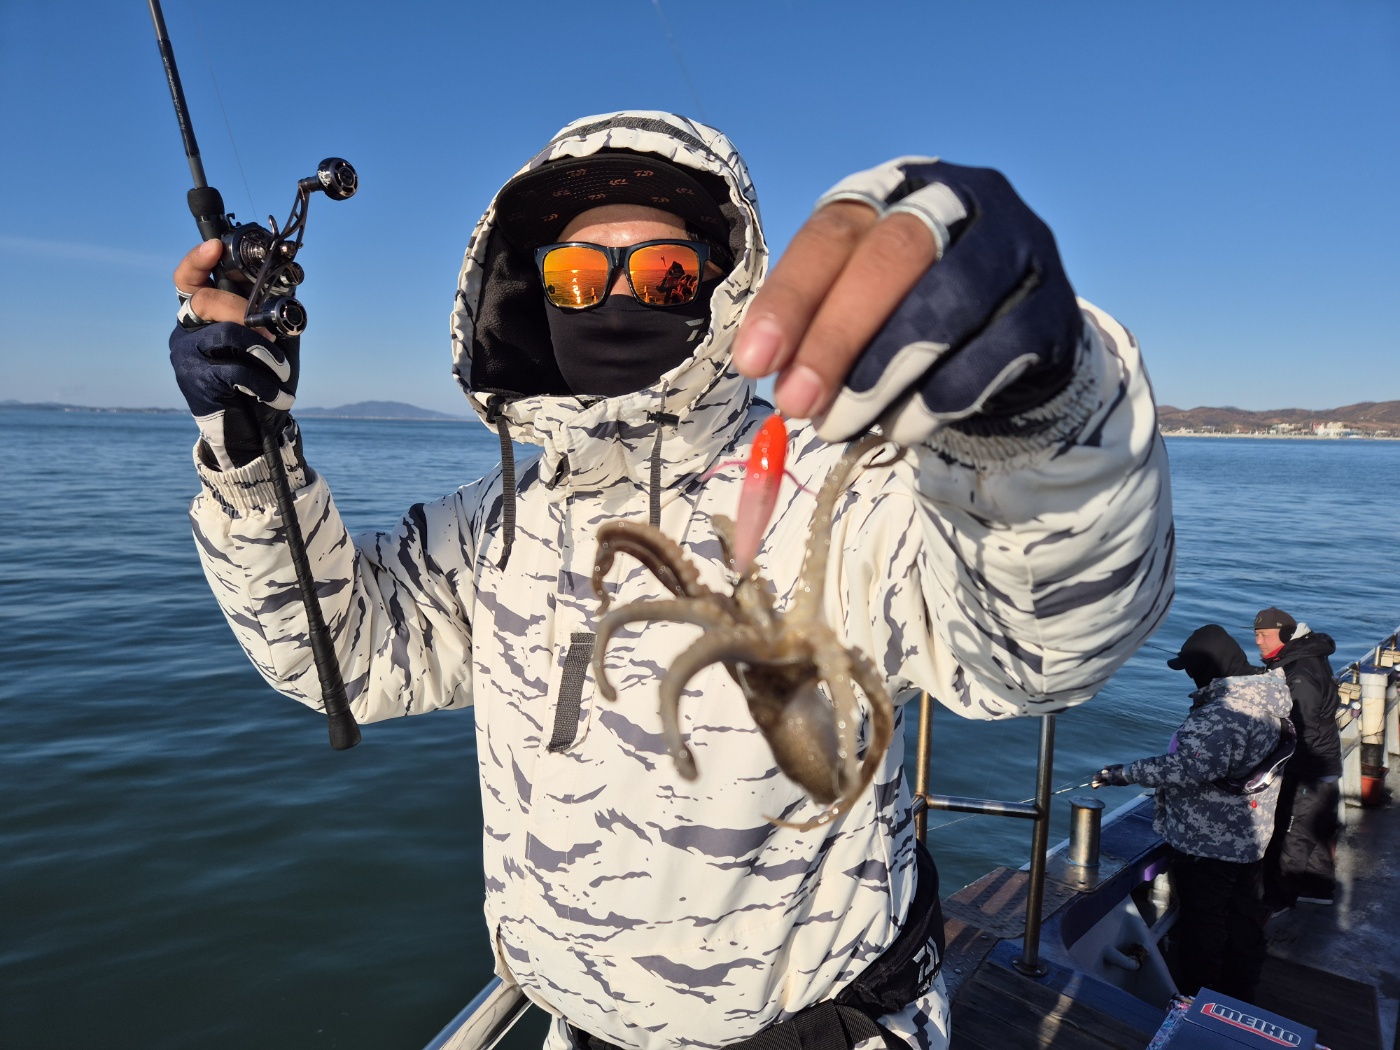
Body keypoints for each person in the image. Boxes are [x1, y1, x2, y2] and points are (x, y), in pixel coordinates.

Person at [167, 111, 1174, 1050]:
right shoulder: (488, 521)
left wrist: (1043, 413)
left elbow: (1037, 652)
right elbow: (343, 660)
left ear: (723, 288)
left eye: (664, 271)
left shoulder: (842, 485)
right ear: (526, 292)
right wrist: (249, 450)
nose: (614, 296)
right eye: (574, 273)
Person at [1092, 625, 1292, 1002]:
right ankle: (1241, 988)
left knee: (1204, 923)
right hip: (1250, 836)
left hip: (1209, 841)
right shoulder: (1269, 696)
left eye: (1192, 669)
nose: (1190, 676)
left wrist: (1122, 773)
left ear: (1210, 667)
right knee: (1244, 914)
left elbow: (1186, 767)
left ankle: (1199, 996)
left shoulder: (1223, 714)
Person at [1253, 606, 1343, 908]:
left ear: (1285, 634)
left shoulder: (1300, 673)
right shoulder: (1303, 660)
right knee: (1314, 828)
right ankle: (1317, 888)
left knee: (1292, 835)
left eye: (1264, 635)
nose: (1258, 642)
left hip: (1308, 768)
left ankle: (1278, 901)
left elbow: (1301, 727)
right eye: (1256, 635)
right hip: (1324, 764)